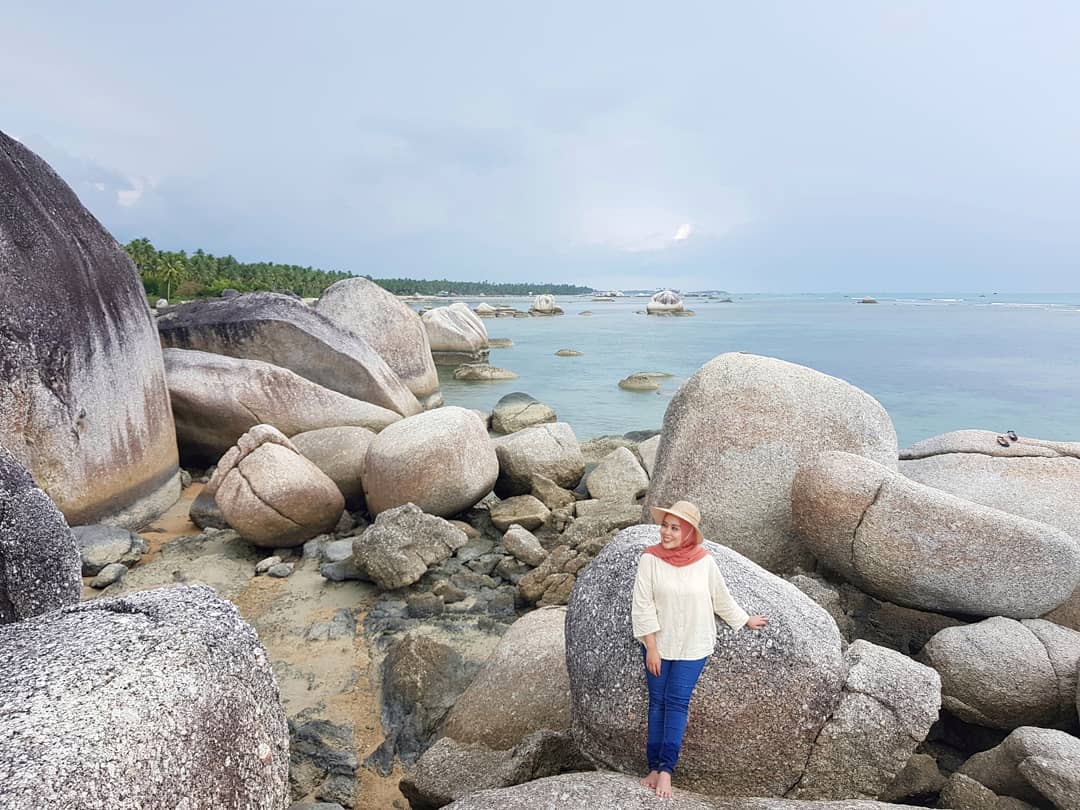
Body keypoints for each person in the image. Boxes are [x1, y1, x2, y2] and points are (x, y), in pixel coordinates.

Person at [631, 500, 768, 799]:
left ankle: (666, 769)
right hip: (659, 645)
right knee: (657, 703)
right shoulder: (649, 559)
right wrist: (651, 647)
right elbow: (642, 605)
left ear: (689, 532)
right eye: (664, 525)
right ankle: (653, 767)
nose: (666, 532)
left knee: (676, 703)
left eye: (674, 528)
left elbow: (720, 598)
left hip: (694, 645)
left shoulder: (704, 561)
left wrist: (745, 619)